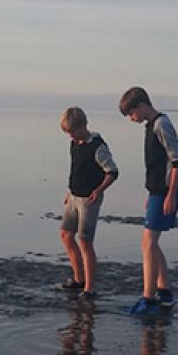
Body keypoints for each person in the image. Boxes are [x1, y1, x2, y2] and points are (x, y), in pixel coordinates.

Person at [119, 87, 178, 315]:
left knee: (147, 243)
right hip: (157, 191)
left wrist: (170, 194)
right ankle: (164, 292)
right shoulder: (151, 126)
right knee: (152, 243)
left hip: (166, 191)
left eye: (131, 114)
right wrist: (152, 194)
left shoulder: (160, 124)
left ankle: (148, 299)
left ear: (141, 106)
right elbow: (157, 165)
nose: (131, 119)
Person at [58, 106, 118, 299]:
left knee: (85, 242)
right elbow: (76, 169)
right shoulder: (75, 144)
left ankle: (89, 289)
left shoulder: (97, 146)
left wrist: (99, 190)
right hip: (74, 196)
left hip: (88, 200)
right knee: (66, 235)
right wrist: (69, 191)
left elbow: (112, 172)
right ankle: (78, 279)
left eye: (73, 132)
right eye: (68, 133)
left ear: (83, 125)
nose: (71, 137)